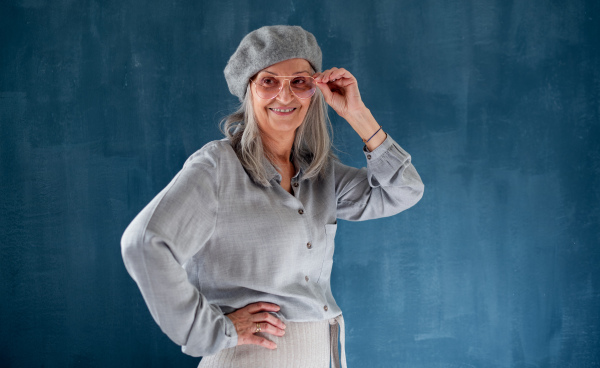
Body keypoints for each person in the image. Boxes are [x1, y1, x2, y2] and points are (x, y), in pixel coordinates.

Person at [121, 25, 424, 368]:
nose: (285, 95)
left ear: (315, 90)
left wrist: (356, 113)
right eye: (268, 81)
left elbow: (404, 191)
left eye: (300, 82)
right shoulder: (217, 166)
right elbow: (144, 243)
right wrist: (210, 331)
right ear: (248, 89)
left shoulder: (319, 174)